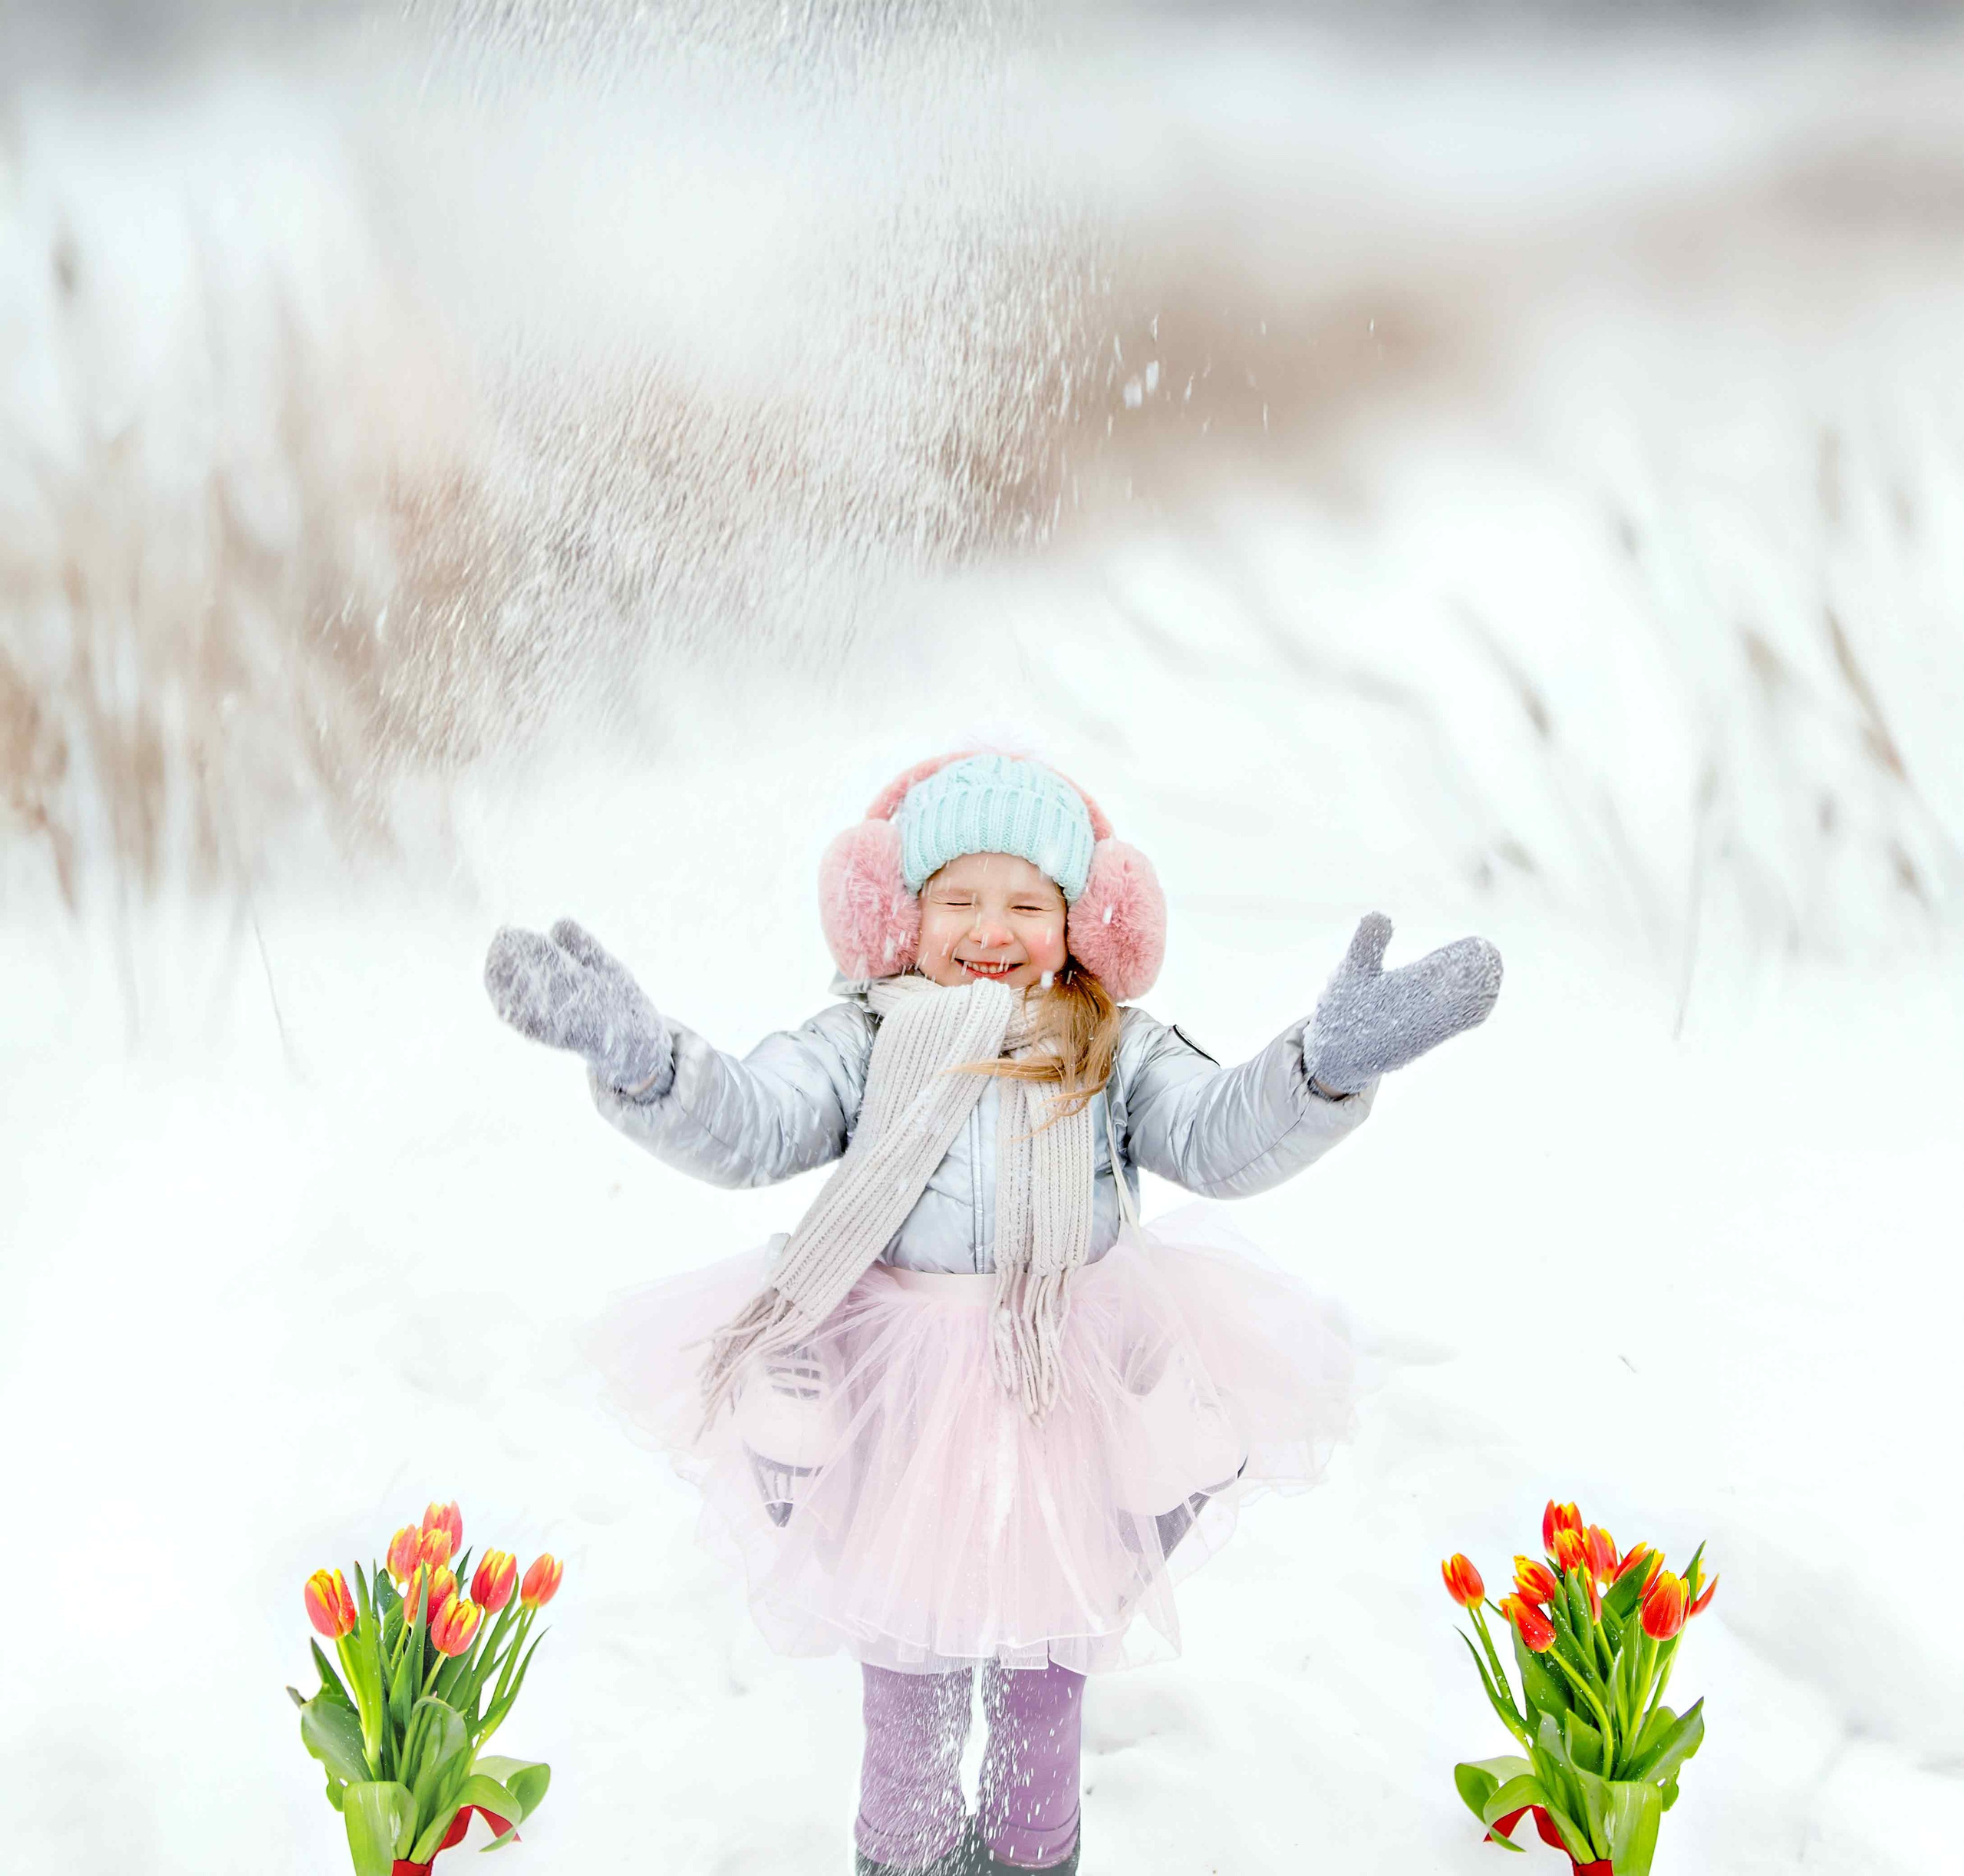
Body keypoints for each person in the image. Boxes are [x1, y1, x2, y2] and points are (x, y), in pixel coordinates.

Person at [484, 750, 1502, 1876]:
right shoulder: (866, 1037)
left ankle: (1031, 1854)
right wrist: (649, 1064)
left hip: (1065, 1393)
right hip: (907, 1401)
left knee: (1042, 1678)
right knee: (910, 1675)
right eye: (957, 898)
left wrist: (1320, 1067)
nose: (991, 927)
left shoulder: (1111, 1045)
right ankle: (907, 1855)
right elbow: (759, 1120)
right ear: (896, 914)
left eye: (1029, 902)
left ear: (1085, 921)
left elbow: (1217, 1131)